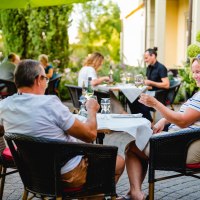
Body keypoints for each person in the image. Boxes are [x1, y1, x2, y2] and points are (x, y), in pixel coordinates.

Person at [0, 59, 125, 191]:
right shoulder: (50, 104)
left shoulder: (4, 105)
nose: (46, 84)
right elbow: (90, 135)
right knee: (119, 161)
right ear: (38, 79)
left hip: (32, 174)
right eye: (46, 80)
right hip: (67, 174)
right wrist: (92, 110)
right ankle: (91, 196)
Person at [118, 57, 200, 200]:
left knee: (133, 147)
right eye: (193, 72)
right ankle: (135, 193)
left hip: (184, 148)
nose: (195, 76)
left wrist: (155, 104)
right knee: (141, 141)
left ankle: (136, 194)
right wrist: (163, 119)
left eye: (198, 71)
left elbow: (182, 121)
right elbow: (185, 114)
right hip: (185, 141)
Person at [128, 47, 170, 122]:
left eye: (146, 58)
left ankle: (148, 121)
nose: (145, 60)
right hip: (149, 92)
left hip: (158, 95)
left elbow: (167, 85)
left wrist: (150, 82)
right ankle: (141, 120)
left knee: (135, 100)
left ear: (153, 56)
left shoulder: (161, 68)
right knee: (131, 98)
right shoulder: (149, 68)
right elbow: (147, 82)